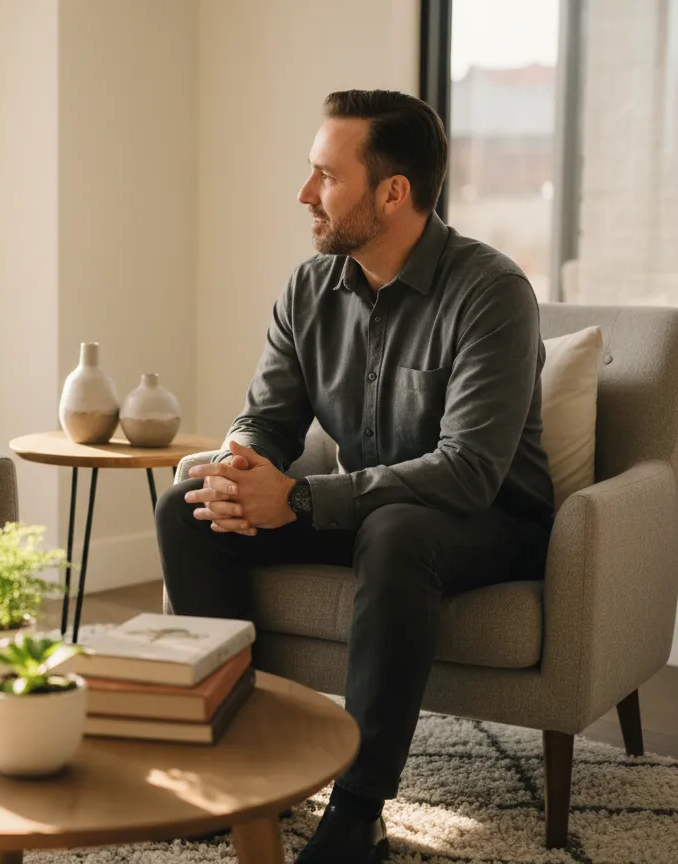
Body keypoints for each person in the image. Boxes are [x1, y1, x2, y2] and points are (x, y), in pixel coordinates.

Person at [155, 90, 554, 863]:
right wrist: (242, 469)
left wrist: (300, 496)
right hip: (367, 515)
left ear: (392, 193)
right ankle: (243, 768)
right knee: (188, 507)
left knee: (397, 529)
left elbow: (469, 470)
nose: (305, 194)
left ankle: (360, 804)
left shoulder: (491, 292)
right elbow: (267, 420)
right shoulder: (312, 287)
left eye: (325, 177)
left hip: (489, 523)